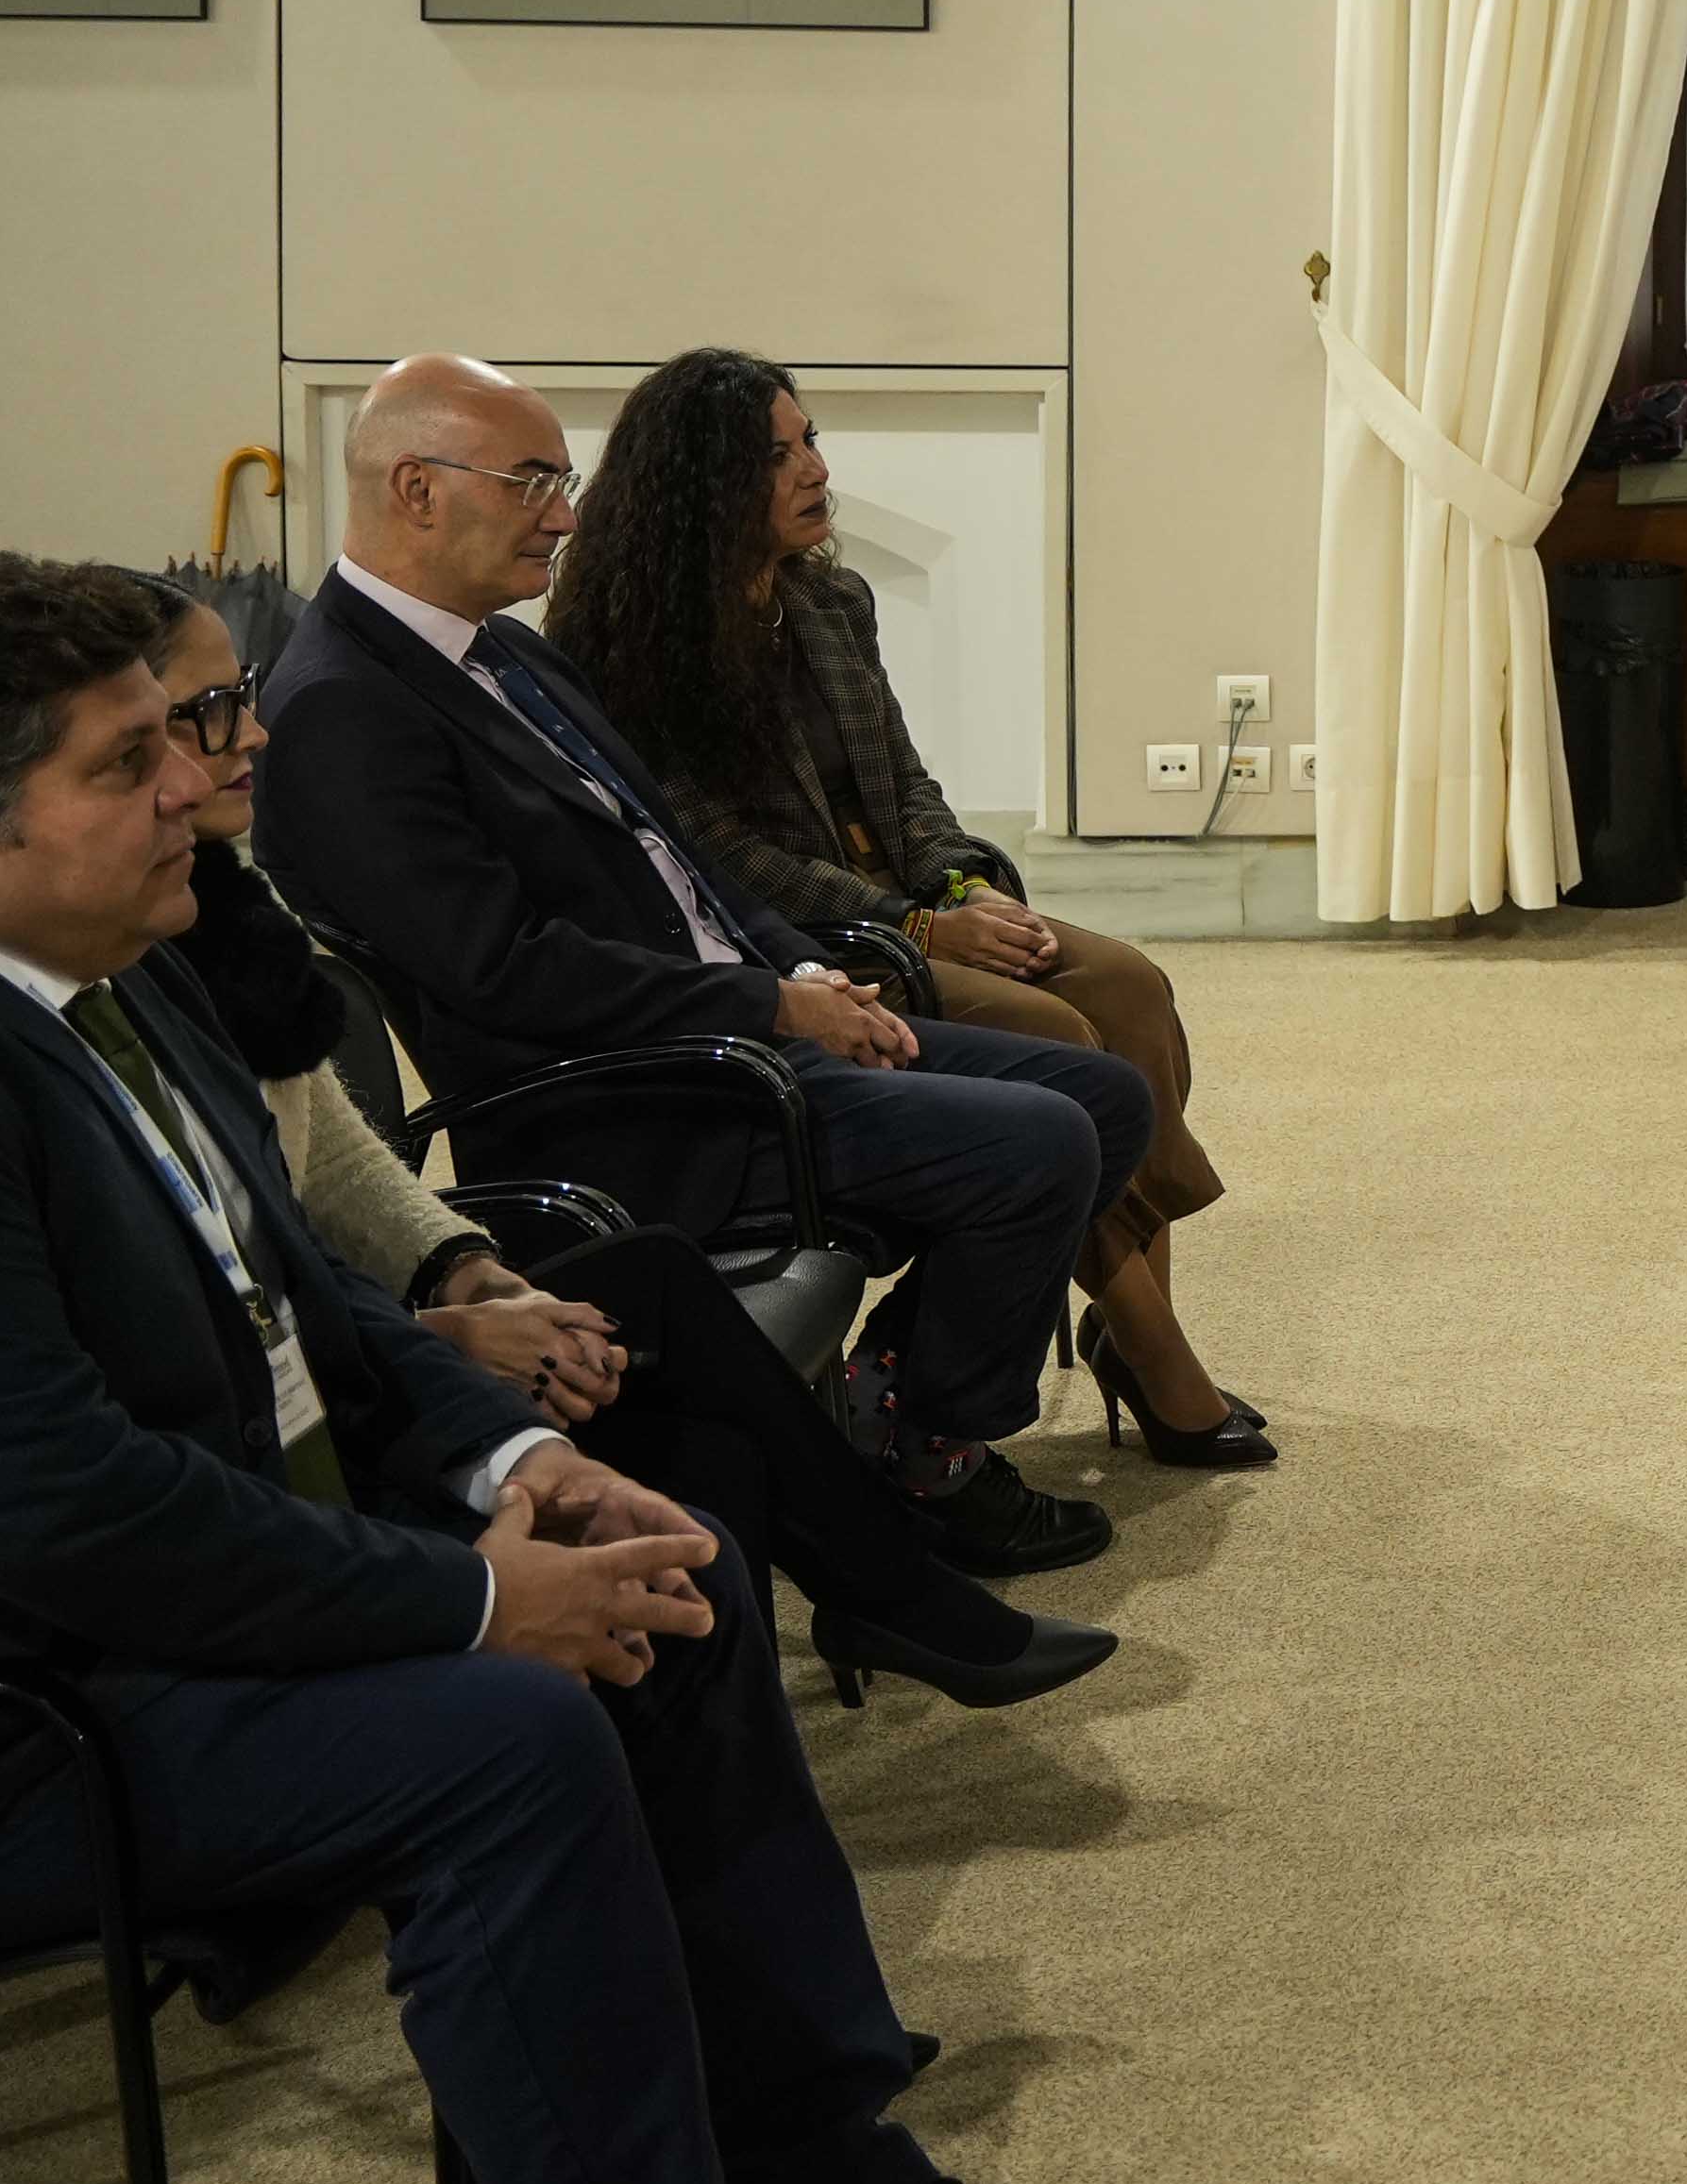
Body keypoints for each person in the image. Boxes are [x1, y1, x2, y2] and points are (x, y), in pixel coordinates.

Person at [0, 555, 1167, 2184]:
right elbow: (64, 1511)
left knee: (673, 1568)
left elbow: (298, 1285)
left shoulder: (86, 970)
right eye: (124, 758)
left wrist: (514, 1459)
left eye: (183, 732)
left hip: (143, 1584)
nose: (196, 783)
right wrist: (477, 1594)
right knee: (506, 1735)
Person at [134, 585, 1114, 1709]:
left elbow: (339, 1151)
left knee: (1077, 1090)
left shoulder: (224, 892)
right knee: (703, 1350)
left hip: (408, 1284)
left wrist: (462, 1262)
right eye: (210, 709)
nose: (250, 730)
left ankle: (886, 1558)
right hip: (580, 1137)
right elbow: (496, 979)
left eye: (242, 698)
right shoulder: (332, 728)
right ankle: (902, 1561)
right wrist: (431, 1324)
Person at [255, 358, 1150, 1562]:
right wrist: (769, 1002)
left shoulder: (504, 654)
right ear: (416, 488)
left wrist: (811, 977)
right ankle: (932, 1453)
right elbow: (509, 973)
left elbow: (683, 858)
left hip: (739, 1030)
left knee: (1102, 1091)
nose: (565, 515)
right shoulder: (343, 708)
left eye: (562, 482)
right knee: (1042, 1141)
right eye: (532, 483)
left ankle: (878, 1409)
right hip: (644, 1095)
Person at [540, 349, 1263, 1466]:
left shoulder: (831, 593)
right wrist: (917, 929)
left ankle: (1126, 1325)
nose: (812, 468)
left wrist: (963, 883)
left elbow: (902, 776)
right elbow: (713, 853)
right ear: (697, 484)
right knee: (1061, 1036)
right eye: (774, 454)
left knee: (1128, 984)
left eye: (811, 437)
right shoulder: (618, 636)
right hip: (800, 933)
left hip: (905, 891)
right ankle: (1153, 1344)